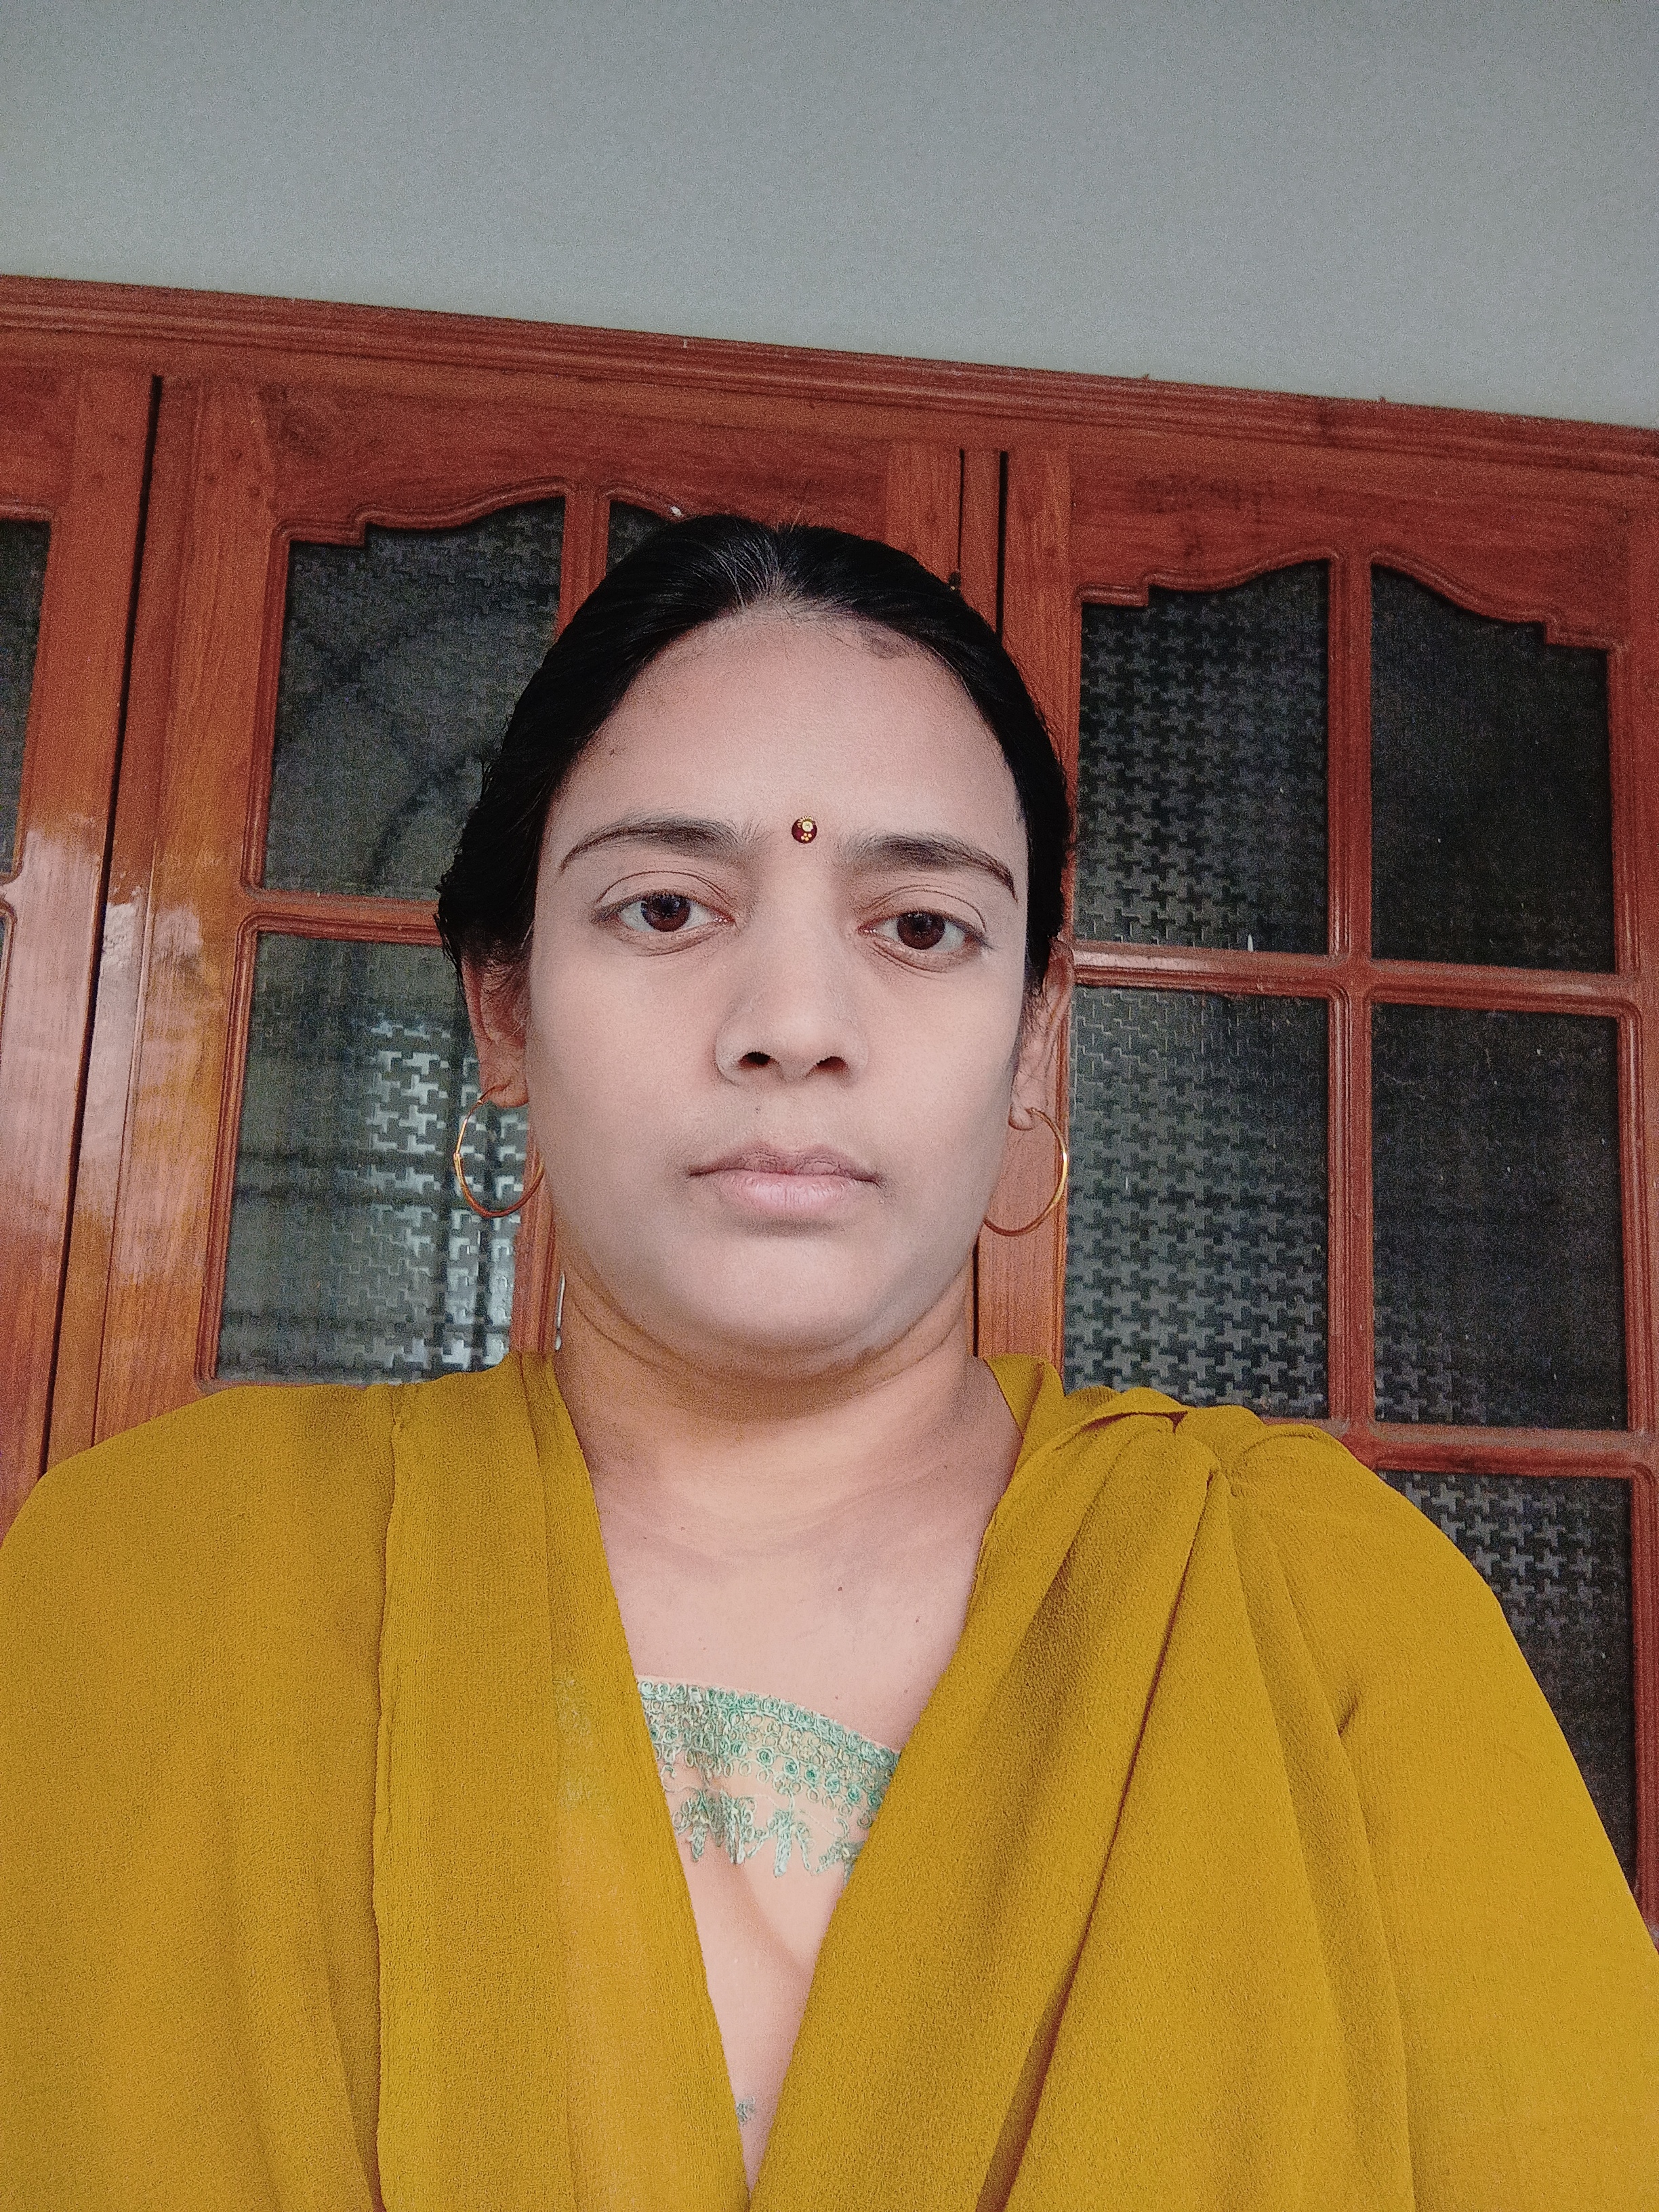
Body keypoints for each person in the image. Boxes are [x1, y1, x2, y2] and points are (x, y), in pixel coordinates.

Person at [1, 516, 1655, 2211]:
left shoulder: (1323, 1613)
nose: (792, 1023)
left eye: (921, 927)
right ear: (503, 1008)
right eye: (665, 907)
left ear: (1035, 1041)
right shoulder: (152, 1584)